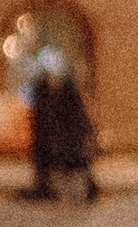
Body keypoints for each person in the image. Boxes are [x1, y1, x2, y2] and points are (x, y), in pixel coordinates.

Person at [24, 54, 97, 204]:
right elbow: (40, 117)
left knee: (73, 164)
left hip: (66, 137)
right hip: (53, 137)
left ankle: (80, 191)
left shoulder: (66, 91)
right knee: (62, 163)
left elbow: (77, 115)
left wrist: (85, 132)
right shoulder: (44, 91)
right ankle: (50, 189)